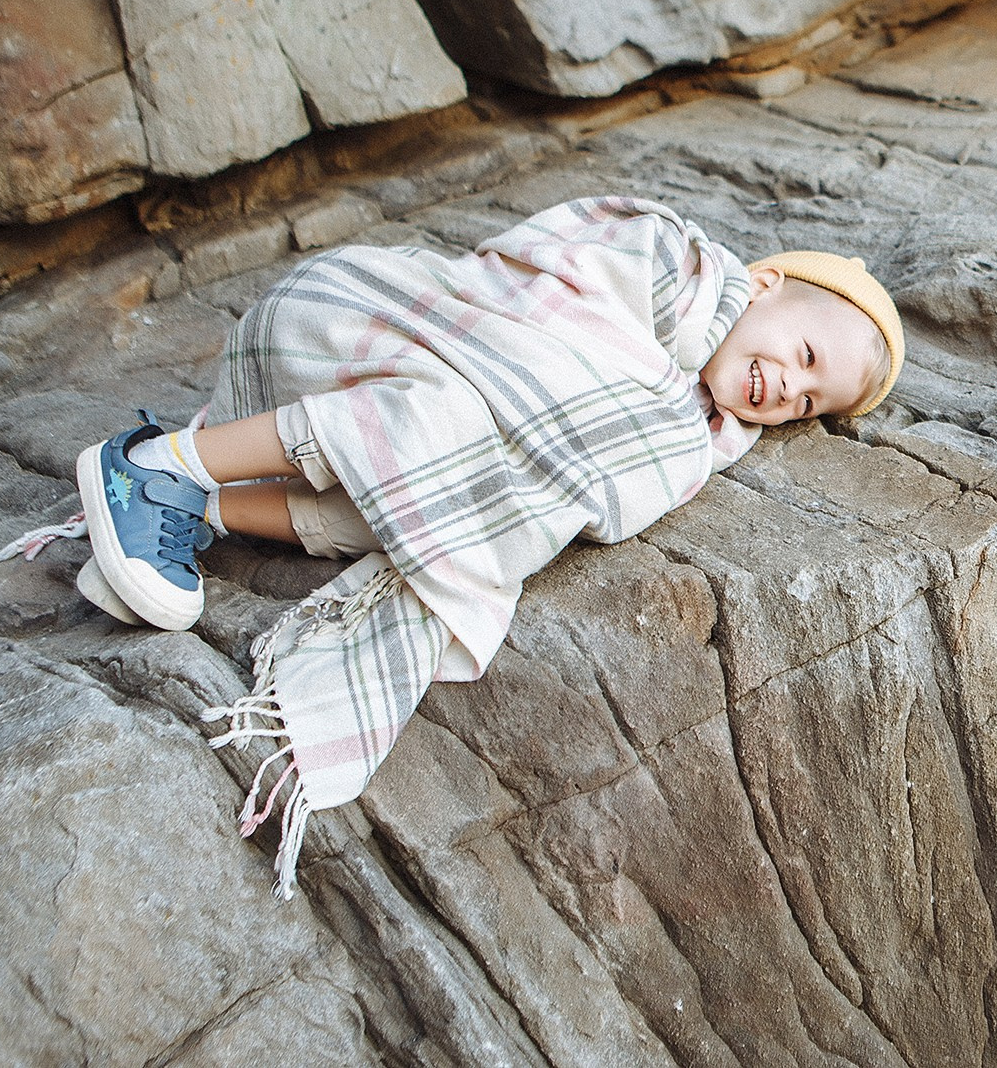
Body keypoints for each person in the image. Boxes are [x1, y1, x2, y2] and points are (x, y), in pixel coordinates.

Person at [69, 194, 903, 896]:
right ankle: (156, 465)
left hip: (412, 417)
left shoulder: (688, 433)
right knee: (438, 424)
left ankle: (203, 505)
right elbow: (542, 305)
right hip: (379, 328)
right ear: (763, 285)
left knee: (433, 503)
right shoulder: (666, 259)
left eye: (804, 401)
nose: (786, 387)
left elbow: (596, 481)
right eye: (802, 354)